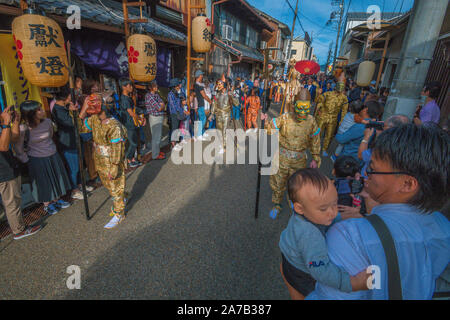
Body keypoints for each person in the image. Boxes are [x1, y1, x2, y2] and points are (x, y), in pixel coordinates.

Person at [307, 123, 450, 300]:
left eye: (373, 169)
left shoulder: (349, 236)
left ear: (407, 184)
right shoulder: (444, 228)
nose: (365, 172)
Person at [279, 168, 370, 299]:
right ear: (299, 208)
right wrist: (352, 282)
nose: (332, 212)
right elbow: (320, 271)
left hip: (290, 251)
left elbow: (331, 215)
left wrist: (342, 217)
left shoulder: (308, 213)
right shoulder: (310, 236)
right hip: (299, 270)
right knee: (311, 294)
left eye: (335, 203)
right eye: (323, 209)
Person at [261, 88, 321, 219]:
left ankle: (294, 203)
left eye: (306, 108)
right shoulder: (285, 117)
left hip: (299, 159)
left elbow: (315, 140)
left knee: (296, 184)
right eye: (300, 107)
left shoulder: (311, 121)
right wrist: (265, 121)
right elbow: (270, 130)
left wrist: (315, 157)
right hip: (282, 157)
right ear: (294, 106)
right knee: (278, 182)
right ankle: (277, 204)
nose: (303, 112)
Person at [80, 95, 128, 229]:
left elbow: (117, 148)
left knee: (115, 186)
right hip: (99, 158)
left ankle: (119, 213)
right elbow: (81, 127)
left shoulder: (114, 126)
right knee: (109, 184)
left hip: (112, 159)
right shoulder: (94, 119)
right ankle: (121, 198)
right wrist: (83, 108)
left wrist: (114, 166)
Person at [16, 100, 72, 215]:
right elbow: (18, 148)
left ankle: (57, 200)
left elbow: (51, 136)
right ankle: (47, 204)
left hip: (52, 155)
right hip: (36, 158)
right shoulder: (23, 128)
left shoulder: (47, 122)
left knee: (56, 177)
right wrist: (26, 160)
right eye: (39, 109)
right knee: (43, 182)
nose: (42, 111)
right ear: (31, 113)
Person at [0, 106, 42, 239]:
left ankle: (17, 226)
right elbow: (3, 146)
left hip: (8, 166)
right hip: (3, 171)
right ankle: (18, 230)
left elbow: (14, 137)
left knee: (14, 200)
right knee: (11, 202)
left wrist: (15, 122)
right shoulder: (3, 125)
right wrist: (6, 123)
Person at [52, 86, 94, 200]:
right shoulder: (57, 109)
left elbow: (77, 120)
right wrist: (84, 108)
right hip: (68, 143)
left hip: (75, 139)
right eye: (70, 95)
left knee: (79, 164)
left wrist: (74, 110)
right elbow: (72, 123)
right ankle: (74, 190)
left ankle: (80, 185)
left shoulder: (64, 107)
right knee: (74, 167)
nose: (72, 97)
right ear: (65, 97)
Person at [315, 80, 348, 156]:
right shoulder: (328, 94)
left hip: (333, 118)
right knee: (318, 133)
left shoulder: (344, 98)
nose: (340, 89)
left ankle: (325, 149)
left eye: (341, 88)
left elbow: (344, 111)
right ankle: (316, 147)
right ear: (335, 87)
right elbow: (318, 100)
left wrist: (341, 121)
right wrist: (318, 94)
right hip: (323, 116)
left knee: (329, 135)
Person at [209, 80, 238, 155]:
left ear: (224, 85)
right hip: (218, 115)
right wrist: (212, 114)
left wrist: (231, 96)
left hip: (226, 114)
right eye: (218, 84)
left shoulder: (229, 93)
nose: (218, 86)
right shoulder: (217, 94)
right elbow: (214, 104)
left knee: (224, 131)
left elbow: (236, 103)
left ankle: (224, 147)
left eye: (220, 84)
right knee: (219, 131)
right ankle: (222, 143)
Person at [119, 79, 142, 168]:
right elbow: (131, 113)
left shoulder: (128, 97)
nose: (131, 87)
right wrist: (140, 118)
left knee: (135, 141)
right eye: (129, 86)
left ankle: (132, 159)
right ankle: (128, 159)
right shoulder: (124, 99)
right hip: (129, 123)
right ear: (124, 87)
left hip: (132, 123)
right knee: (133, 143)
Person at [144, 81, 166, 160]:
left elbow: (162, 103)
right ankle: (155, 155)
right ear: (150, 87)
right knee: (156, 137)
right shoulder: (149, 96)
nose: (156, 86)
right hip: (155, 117)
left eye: (156, 85)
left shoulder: (156, 95)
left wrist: (162, 105)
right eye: (154, 86)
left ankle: (157, 151)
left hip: (158, 117)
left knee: (158, 136)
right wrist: (162, 105)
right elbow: (159, 107)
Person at [194, 70, 212, 139]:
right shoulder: (199, 85)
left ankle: (202, 133)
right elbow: (204, 95)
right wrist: (210, 101)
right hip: (201, 105)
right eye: (201, 75)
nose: (202, 76)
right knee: (202, 120)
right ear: (199, 76)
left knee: (202, 119)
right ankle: (199, 135)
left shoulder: (196, 85)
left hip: (199, 104)